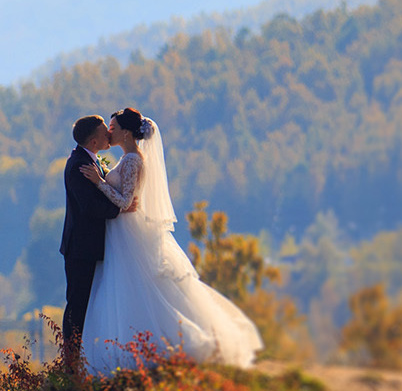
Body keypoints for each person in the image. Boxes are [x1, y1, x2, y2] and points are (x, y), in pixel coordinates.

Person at [73, 107, 263, 373]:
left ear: (126, 133)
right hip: (120, 232)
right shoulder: (127, 158)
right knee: (125, 288)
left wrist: (99, 183)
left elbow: (125, 202)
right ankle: (126, 348)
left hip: (127, 232)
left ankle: (147, 349)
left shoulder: (132, 160)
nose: (109, 133)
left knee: (134, 287)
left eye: (113, 128)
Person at [58, 114, 123, 372]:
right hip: (81, 249)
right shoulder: (78, 166)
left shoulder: (90, 161)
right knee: (77, 304)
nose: (109, 135)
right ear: (94, 141)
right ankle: (71, 364)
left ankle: (84, 360)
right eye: (105, 132)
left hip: (91, 246)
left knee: (89, 303)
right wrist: (120, 208)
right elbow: (89, 206)